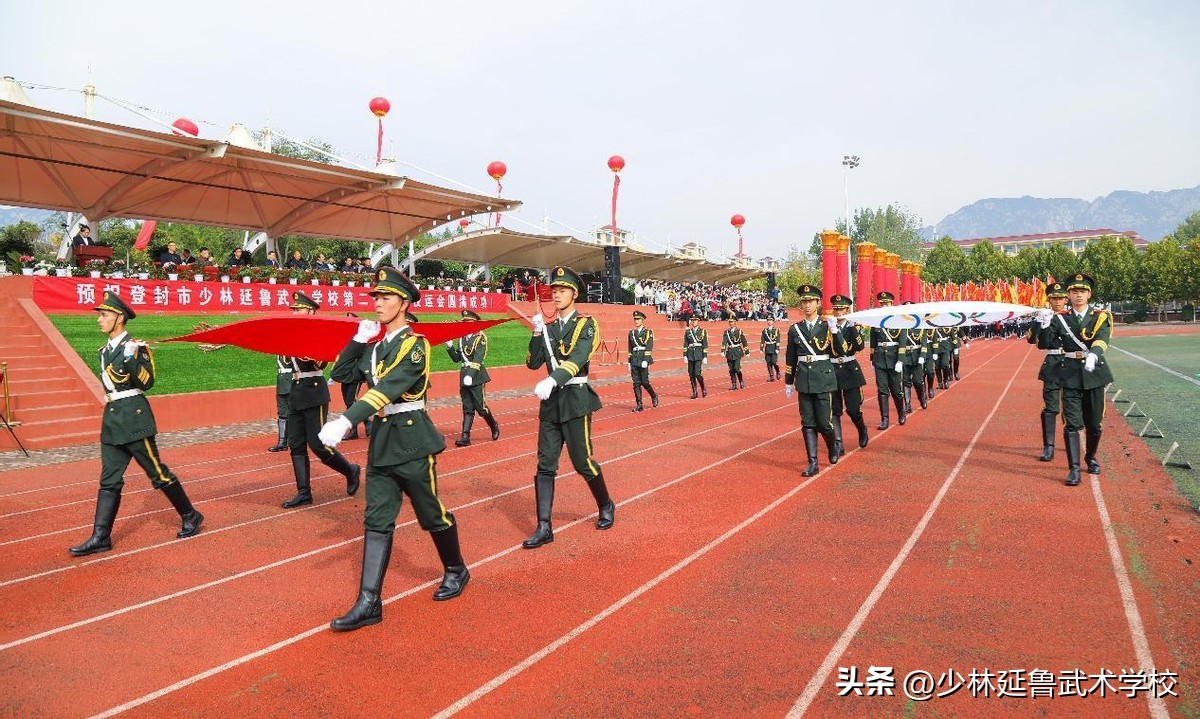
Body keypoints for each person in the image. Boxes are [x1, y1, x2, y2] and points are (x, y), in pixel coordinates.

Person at [320, 268, 468, 631]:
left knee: (431, 514)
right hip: (384, 442)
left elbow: (389, 388)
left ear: (403, 303)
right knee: (376, 519)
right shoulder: (374, 349)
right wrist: (357, 340)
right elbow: (341, 374)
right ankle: (368, 601)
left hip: (412, 441)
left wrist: (347, 420)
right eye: (376, 297)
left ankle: (455, 568)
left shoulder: (415, 345)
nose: (378, 303)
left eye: (386, 297)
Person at [69, 292, 204, 556]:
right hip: (113, 420)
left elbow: (146, 382)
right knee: (109, 480)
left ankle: (191, 515)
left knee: (158, 474)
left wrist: (131, 358)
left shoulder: (136, 347)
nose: (99, 320)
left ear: (119, 318)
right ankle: (100, 537)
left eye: (104, 315)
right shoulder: (104, 352)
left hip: (134, 418)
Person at [522, 265, 614, 549]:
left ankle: (605, 504)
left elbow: (578, 357)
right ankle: (544, 526)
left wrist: (553, 379)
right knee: (545, 464)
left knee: (582, 461)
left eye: (563, 290)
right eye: (554, 290)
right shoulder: (549, 329)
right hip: (551, 405)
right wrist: (536, 332)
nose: (557, 294)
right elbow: (533, 363)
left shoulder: (586, 325)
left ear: (574, 294)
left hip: (575, 399)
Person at [278, 291, 362, 508]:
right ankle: (304, 492)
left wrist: (304, 347)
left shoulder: (319, 334)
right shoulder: (292, 334)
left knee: (318, 444)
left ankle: (350, 470)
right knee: (296, 444)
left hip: (314, 391)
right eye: (293, 309)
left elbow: (320, 362)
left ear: (310, 311)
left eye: (298, 309)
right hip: (297, 391)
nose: (294, 312)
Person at [1037, 273, 1112, 486]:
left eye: (1082, 291)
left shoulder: (1099, 316)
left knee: (1094, 425)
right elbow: (1045, 344)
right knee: (1071, 424)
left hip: (1094, 373)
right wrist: (1044, 325)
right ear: (1068, 295)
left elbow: (1102, 339)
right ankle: (1074, 469)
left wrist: (1094, 355)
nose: (1078, 295)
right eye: (1074, 291)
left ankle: (1090, 457)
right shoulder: (1060, 318)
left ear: (1089, 294)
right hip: (1069, 373)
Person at [783, 284, 840, 477]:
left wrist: (836, 331)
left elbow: (839, 351)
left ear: (818, 303)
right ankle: (813, 462)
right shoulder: (795, 329)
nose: (807, 305)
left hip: (823, 378)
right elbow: (791, 356)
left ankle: (833, 446)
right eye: (804, 301)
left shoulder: (827, 326)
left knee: (824, 423)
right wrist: (788, 381)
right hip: (804, 380)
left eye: (810, 301)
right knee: (807, 423)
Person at [445, 309, 501, 446]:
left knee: (481, 407)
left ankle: (493, 425)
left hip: (476, 376)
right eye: (464, 322)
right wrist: (450, 346)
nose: (466, 324)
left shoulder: (480, 337)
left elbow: (478, 359)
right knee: (467, 407)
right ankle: (465, 437)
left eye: (468, 322)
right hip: (464, 374)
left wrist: (470, 375)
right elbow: (457, 359)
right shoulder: (462, 338)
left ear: (475, 323)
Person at [1029, 281, 1068, 462]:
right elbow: (1034, 341)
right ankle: (1049, 447)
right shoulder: (1045, 317)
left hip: (1072, 364)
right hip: (1052, 364)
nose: (1057, 302)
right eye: (1054, 299)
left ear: (1066, 299)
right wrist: (1040, 322)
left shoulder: (1072, 317)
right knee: (1051, 407)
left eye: (1061, 298)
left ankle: (1070, 441)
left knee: (1072, 407)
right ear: (1049, 300)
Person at [830, 294, 869, 455]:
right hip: (832, 369)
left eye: (841, 309)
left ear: (847, 310)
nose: (838, 312)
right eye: (836, 309)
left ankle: (862, 429)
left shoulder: (854, 327)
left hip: (850, 370)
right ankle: (838, 443)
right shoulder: (828, 326)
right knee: (834, 410)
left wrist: (853, 328)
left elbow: (859, 346)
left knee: (853, 409)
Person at [869, 291, 907, 429]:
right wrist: (872, 359)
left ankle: (901, 413)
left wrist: (900, 360)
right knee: (882, 391)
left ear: (891, 304)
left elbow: (902, 342)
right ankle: (884, 419)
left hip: (894, 359)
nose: (884, 305)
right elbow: (873, 342)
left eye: (886, 303)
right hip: (880, 359)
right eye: (882, 303)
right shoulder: (876, 322)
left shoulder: (899, 320)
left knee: (896, 390)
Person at [627, 310, 658, 412]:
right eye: (635, 319)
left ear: (642, 320)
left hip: (643, 358)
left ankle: (653, 395)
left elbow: (649, 346)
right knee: (636, 383)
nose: (636, 321)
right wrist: (629, 361)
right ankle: (639, 404)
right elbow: (630, 348)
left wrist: (646, 360)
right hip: (634, 359)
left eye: (638, 319)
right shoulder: (631, 333)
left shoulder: (648, 332)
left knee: (644, 382)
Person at [683, 314, 709, 399]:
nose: (693, 322)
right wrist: (685, 355)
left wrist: (705, 356)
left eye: (695, 320)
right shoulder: (688, 332)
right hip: (690, 354)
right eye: (692, 320)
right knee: (691, 374)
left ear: (698, 321)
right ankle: (694, 392)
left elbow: (705, 344)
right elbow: (685, 344)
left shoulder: (703, 331)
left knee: (697, 374)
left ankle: (703, 388)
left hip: (698, 354)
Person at [721, 316, 749, 390]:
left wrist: (747, 351)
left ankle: (741, 381)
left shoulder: (739, 331)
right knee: (731, 369)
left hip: (737, 351)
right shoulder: (727, 332)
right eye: (729, 322)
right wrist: (723, 350)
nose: (730, 323)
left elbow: (744, 341)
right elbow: (724, 341)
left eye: (732, 322)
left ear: (735, 322)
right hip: (730, 352)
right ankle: (734, 384)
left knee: (736, 368)